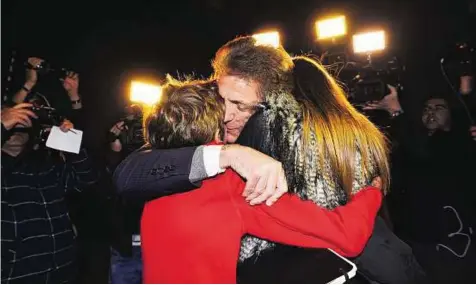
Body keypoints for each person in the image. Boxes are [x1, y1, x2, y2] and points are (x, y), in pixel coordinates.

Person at [113, 36, 425, 283]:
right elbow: (128, 174)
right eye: (221, 100)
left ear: (271, 103)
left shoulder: (306, 134)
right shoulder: (206, 152)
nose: (227, 113)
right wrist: (228, 154)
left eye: (241, 105)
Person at [140, 76, 384, 283]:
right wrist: (371, 192)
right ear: (216, 126)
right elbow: (347, 237)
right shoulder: (229, 188)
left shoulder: (152, 182)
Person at [1, 101, 98, 283]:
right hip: (15, 275)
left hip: (62, 272)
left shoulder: (46, 167)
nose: (16, 127)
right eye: (11, 122)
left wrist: (72, 141)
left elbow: (86, 179)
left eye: (21, 123)